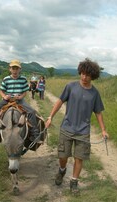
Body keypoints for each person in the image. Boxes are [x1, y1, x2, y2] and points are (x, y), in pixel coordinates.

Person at [45, 58, 109, 194]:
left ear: (93, 76)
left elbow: (98, 112)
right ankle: (62, 171)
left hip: (83, 131)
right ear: (80, 72)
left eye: (88, 75)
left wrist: (103, 130)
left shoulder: (95, 93)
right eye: (83, 73)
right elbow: (59, 102)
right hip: (67, 128)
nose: (84, 77)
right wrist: (50, 117)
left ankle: (74, 182)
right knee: (63, 156)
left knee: (79, 158)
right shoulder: (70, 87)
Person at [0, 59, 39, 142]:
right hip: (7, 100)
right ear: (10, 69)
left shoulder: (23, 79)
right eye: (13, 68)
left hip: (19, 101)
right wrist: (4, 96)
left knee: (31, 112)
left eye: (17, 68)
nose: (15, 70)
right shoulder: (6, 79)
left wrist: (21, 97)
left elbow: (25, 91)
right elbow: (1, 91)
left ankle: (35, 135)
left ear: (20, 69)